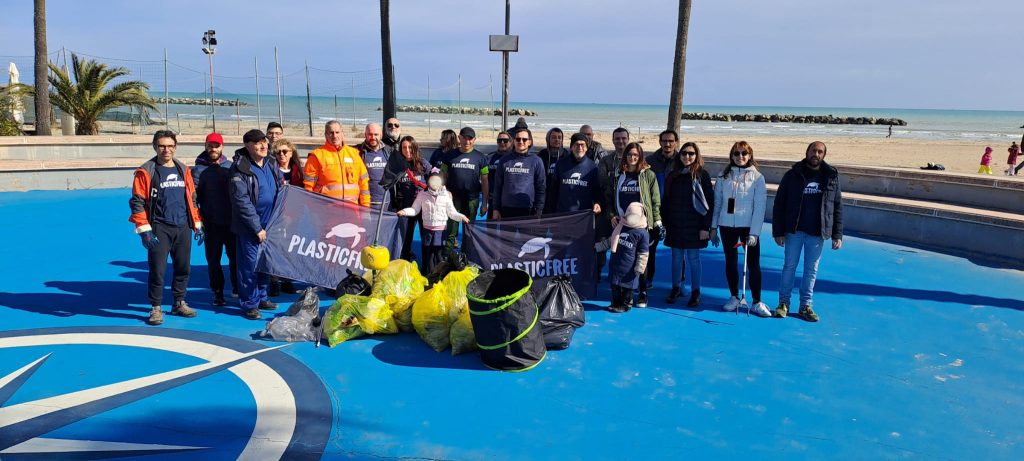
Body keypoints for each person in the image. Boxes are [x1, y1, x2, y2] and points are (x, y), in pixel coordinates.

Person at [129, 130, 202, 325]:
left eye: (170, 146)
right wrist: (144, 230)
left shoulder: (183, 170)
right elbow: (137, 202)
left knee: (183, 268)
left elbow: (192, 199)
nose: (166, 150)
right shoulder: (146, 171)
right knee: (157, 270)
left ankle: (179, 303)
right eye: (162, 146)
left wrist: (197, 224)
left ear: (175, 147)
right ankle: (156, 307)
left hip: (183, 226)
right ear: (155, 147)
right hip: (159, 227)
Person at [772, 141, 843, 322]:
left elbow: (837, 207)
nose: (816, 154)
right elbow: (779, 203)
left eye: (820, 152)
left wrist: (837, 235)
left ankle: (805, 306)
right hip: (794, 231)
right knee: (789, 267)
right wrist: (778, 231)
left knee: (811, 270)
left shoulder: (831, 176)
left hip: (817, 233)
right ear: (807, 152)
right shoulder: (792, 174)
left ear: (823, 155)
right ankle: (783, 304)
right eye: (813, 150)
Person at [710, 141, 769, 316]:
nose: (740, 157)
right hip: (727, 226)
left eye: (744, 153)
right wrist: (714, 227)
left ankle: (757, 301)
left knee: (753, 264)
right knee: (730, 261)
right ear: (732, 156)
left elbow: (760, 207)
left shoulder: (757, 178)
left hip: (747, 227)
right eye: (736, 154)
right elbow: (718, 202)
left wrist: (754, 233)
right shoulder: (723, 176)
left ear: (750, 155)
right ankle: (734, 296)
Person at [229, 129, 283, 320]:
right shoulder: (240, 168)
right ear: (247, 145)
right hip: (250, 227)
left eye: (264, 142)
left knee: (265, 263)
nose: (263, 146)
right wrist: (256, 227)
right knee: (249, 265)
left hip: (271, 223)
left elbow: (280, 186)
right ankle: (250, 304)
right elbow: (241, 201)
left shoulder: (270, 162)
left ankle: (262, 297)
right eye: (257, 143)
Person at [607, 142, 661, 308]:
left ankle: (642, 292)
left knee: (641, 259)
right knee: (622, 259)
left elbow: (655, 200)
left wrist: (657, 221)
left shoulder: (648, 175)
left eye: (636, 155)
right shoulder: (618, 175)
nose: (632, 158)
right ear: (625, 156)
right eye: (630, 154)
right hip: (623, 222)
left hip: (641, 224)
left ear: (640, 157)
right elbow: (610, 197)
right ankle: (625, 294)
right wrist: (612, 216)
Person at [661, 141, 714, 308]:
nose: (687, 156)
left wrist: (705, 227)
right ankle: (676, 288)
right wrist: (664, 223)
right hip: (675, 224)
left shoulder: (702, 175)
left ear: (696, 155)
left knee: (693, 259)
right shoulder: (673, 175)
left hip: (695, 225)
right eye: (684, 153)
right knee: (676, 258)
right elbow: (666, 201)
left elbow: (709, 203)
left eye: (691, 153)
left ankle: (696, 292)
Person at [192, 132, 237, 306]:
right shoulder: (197, 170)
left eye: (216, 145)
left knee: (235, 258)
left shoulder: (230, 166)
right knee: (213, 260)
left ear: (222, 147)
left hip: (232, 222)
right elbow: (194, 197)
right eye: (210, 145)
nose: (213, 148)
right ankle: (217, 292)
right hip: (211, 224)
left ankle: (236, 288)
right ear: (205, 146)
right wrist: (198, 220)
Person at [397, 168, 470, 274]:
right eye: (432, 180)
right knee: (428, 254)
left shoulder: (446, 195)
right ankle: (427, 274)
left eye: (437, 180)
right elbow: (415, 209)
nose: (435, 183)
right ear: (428, 180)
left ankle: (439, 275)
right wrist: (404, 211)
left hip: (441, 231)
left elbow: (452, 213)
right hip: (427, 230)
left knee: (439, 255)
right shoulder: (422, 194)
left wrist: (462, 217)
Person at [440, 127, 489, 253]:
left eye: (470, 139)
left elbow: (485, 181)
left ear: (474, 140)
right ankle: (446, 259)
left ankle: (466, 258)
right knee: (451, 231)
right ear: (459, 138)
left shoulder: (481, 158)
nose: (467, 141)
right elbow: (442, 176)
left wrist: (484, 204)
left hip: (472, 200)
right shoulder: (449, 156)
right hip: (452, 199)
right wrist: (442, 195)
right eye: (464, 138)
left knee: (469, 231)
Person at [595, 202, 650, 313]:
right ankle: (615, 303)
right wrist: (595, 247)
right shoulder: (621, 226)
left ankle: (624, 304)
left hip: (630, 268)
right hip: (616, 263)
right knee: (614, 286)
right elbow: (609, 242)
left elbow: (643, 253)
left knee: (627, 288)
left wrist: (640, 268)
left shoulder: (642, 233)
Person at [642, 129, 679, 290]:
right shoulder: (650, 161)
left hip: (676, 212)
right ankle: (647, 279)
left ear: (676, 142)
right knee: (649, 247)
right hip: (654, 212)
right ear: (660, 142)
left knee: (678, 250)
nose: (667, 144)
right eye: (664, 141)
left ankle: (679, 283)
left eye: (670, 141)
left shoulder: (682, 160)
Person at [303, 120, 370, 206]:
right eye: (331, 133)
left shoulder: (354, 154)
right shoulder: (317, 156)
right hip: (326, 210)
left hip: (352, 210)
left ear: (342, 133)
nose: (334, 136)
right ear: (326, 135)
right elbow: (308, 187)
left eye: (337, 132)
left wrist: (366, 207)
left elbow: (364, 183)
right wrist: (312, 209)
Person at [595, 127, 631, 282]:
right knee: (601, 245)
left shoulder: (635, 160)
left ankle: (622, 280)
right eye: (617, 138)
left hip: (628, 214)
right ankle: (596, 273)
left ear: (628, 139)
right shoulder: (606, 161)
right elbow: (602, 185)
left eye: (623, 138)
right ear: (613, 140)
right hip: (607, 211)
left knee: (625, 247)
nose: (620, 141)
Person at [269, 138, 302, 296]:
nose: (281, 155)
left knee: (290, 248)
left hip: (293, 215)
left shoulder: (298, 171)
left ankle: (287, 278)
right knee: (276, 248)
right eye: (278, 152)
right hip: (275, 215)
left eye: (285, 151)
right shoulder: (271, 169)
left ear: (291, 153)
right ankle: (274, 280)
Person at [392, 136, 432, 261]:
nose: (407, 150)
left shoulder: (423, 163)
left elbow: (435, 178)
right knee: (406, 239)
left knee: (426, 239)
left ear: (415, 148)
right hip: (406, 208)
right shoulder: (397, 165)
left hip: (424, 208)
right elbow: (392, 186)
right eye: (404, 147)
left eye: (410, 147)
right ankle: (405, 263)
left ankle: (426, 268)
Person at [493, 128, 546, 219]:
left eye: (524, 139)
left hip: (528, 210)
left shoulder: (536, 161)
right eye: (518, 139)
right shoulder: (504, 160)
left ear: (529, 142)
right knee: (506, 234)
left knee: (526, 234)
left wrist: (539, 209)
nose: (521, 142)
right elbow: (497, 186)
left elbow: (541, 187)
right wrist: (496, 208)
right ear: (513, 141)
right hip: (506, 209)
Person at [550, 132, 603, 214]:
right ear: (571, 147)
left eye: (582, 145)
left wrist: (598, 203)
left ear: (586, 148)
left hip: (583, 215)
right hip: (562, 214)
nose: (580, 147)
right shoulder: (560, 164)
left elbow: (597, 192)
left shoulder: (593, 167)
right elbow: (553, 191)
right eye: (576, 144)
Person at [355, 123, 393, 209]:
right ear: (365, 135)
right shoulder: (357, 152)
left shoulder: (389, 151)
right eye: (370, 134)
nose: (373, 137)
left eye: (376, 134)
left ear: (381, 135)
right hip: (365, 204)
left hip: (386, 203)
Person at [486, 131, 514, 216]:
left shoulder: (515, 158)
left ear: (511, 142)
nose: (502, 143)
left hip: (509, 201)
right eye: (499, 140)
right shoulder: (490, 158)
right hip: (493, 199)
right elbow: (484, 178)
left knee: (507, 228)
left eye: (505, 140)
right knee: (490, 228)